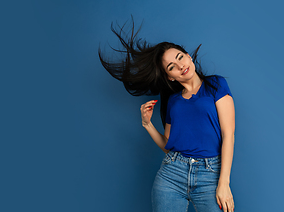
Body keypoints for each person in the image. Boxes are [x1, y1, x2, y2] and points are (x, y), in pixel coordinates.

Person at [99, 19, 235, 212]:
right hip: (172, 173)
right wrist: (147, 125)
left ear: (188, 56)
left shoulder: (216, 85)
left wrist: (223, 183)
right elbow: (169, 146)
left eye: (180, 57)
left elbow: (228, 135)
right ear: (170, 77)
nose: (180, 65)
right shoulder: (173, 101)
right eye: (171, 66)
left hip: (210, 174)